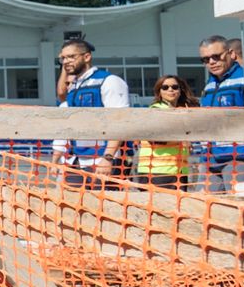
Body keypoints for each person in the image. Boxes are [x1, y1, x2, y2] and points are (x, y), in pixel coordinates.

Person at [54, 38, 130, 185]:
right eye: (63, 58)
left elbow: (120, 121)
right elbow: (61, 94)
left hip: (101, 159)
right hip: (75, 161)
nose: (66, 61)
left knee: (105, 206)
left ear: (87, 57)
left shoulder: (109, 81)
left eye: (71, 57)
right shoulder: (75, 84)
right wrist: (66, 65)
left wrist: (108, 157)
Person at [199, 35, 244, 193]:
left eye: (216, 56)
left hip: (239, 159)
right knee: (203, 208)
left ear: (231, 54)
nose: (211, 62)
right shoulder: (210, 85)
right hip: (210, 159)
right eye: (206, 59)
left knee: (238, 208)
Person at [135, 75, 197, 189]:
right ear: (159, 91)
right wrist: (182, 138)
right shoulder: (155, 109)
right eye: (165, 87)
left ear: (180, 90)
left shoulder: (181, 111)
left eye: (174, 87)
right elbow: (155, 137)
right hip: (155, 171)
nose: (170, 90)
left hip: (178, 171)